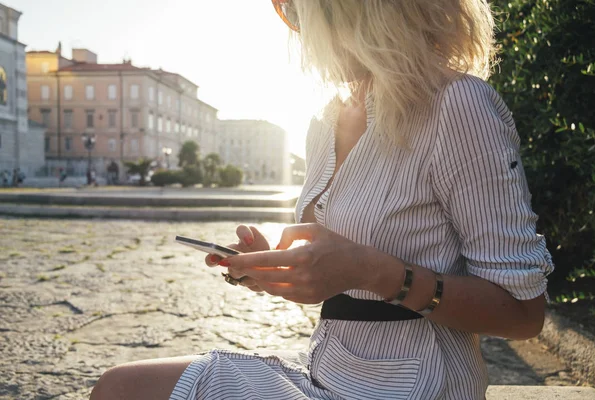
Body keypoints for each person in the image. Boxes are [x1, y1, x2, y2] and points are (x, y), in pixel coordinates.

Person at [90, 1, 554, 399]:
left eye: (297, 10)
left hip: (416, 386)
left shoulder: (457, 106)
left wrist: (372, 271)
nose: (293, 27)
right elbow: (342, 286)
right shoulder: (325, 118)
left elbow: (522, 313)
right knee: (122, 387)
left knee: (122, 391)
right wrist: (278, 271)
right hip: (325, 371)